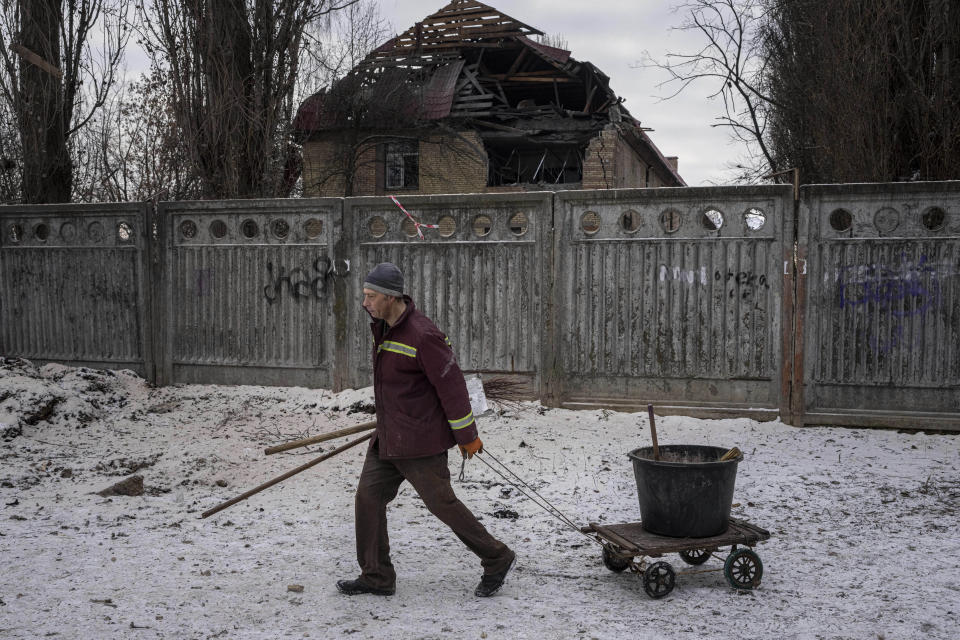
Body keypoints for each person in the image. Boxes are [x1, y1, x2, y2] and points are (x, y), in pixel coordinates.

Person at [336, 262, 516, 598]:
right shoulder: (385, 327)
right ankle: (376, 576)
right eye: (364, 295)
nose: (365, 303)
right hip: (389, 438)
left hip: (420, 442)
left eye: (371, 296)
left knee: (442, 504)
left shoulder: (424, 335)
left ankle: (496, 557)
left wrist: (468, 436)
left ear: (391, 297)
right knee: (368, 498)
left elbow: (453, 389)